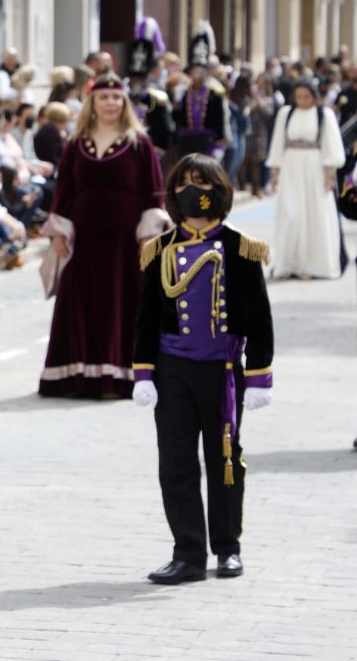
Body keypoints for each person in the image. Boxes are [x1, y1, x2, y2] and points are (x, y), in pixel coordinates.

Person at [133, 154, 273, 584]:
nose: (195, 190)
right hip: (173, 371)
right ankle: (188, 553)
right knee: (175, 463)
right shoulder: (159, 250)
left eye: (203, 182)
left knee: (225, 460)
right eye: (185, 183)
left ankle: (228, 547)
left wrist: (259, 376)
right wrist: (143, 373)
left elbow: (259, 318)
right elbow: (146, 318)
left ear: (219, 189)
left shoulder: (239, 247)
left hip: (223, 372)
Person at [39, 73, 170, 398]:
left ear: (123, 103)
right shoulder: (75, 144)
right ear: (92, 103)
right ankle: (77, 377)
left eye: (116, 97)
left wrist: (148, 236)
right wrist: (57, 233)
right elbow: (64, 192)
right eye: (103, 97)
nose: (110, 103)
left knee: (120, 303)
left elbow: (154, 195)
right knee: (80, 303)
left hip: (125, 242)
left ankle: (120, 377)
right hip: (82, 240)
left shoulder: (140, 144)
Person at [265, 79, 347, 279]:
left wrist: (330, 174)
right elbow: (278, 142)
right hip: (290, 168)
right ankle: (288, 264)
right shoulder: (286, 114)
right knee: (290, 214)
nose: (301, 101)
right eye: (298, 97)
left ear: (314, 96)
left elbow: (331, 144)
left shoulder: (323, 115)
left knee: (314, 214)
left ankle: (312, 266)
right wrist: (275, 172)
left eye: (306, 97)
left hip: (314, 168)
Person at [174, 25, 228, 160]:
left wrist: (218, 145)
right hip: (187, 142)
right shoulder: (184, 93)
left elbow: (220, 121)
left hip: (207, 142)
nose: (197, 74)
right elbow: (178, 119)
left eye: (201, 70)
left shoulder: (215, 95)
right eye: (195, 70)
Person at [126, 22, 175, 157]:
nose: (137, 82)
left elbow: (165, 128)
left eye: (139, 79)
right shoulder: (122, 94)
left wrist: (157, 151)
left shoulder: (157, 97)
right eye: (134, 78)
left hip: (150, 151)